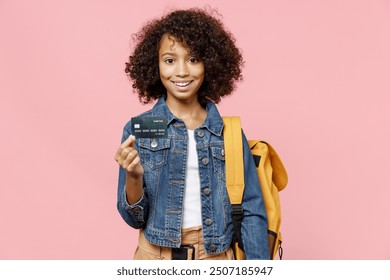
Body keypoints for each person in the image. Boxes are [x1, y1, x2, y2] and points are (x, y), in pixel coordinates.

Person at [114, 8, 269, 260]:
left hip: (215, 257)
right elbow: (133, 218)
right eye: (170, 60)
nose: (182, 71)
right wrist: (133, 176)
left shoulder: (227, 133)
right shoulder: (139, 129)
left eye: (194, 59)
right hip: (155, 256)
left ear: (210, 63)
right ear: (155, 65)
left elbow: (252, 210)